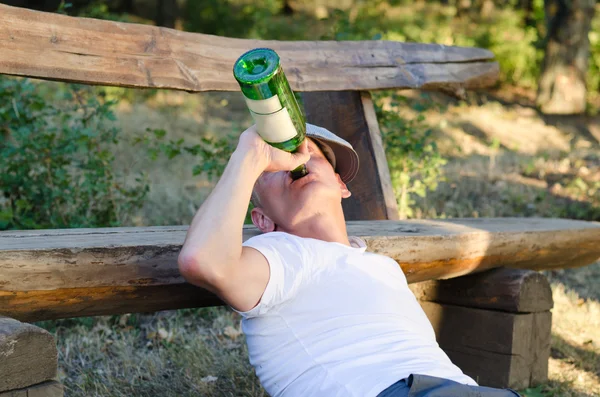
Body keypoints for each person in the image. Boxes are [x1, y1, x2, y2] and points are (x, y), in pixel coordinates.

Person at [178, 123, 521, 397]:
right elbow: (203, 261)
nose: (295, 164)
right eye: (274, 164)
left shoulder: (382, 266)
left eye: (308, 154)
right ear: (262, 220)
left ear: (341, 185)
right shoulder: (282, 255)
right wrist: (249, 154)